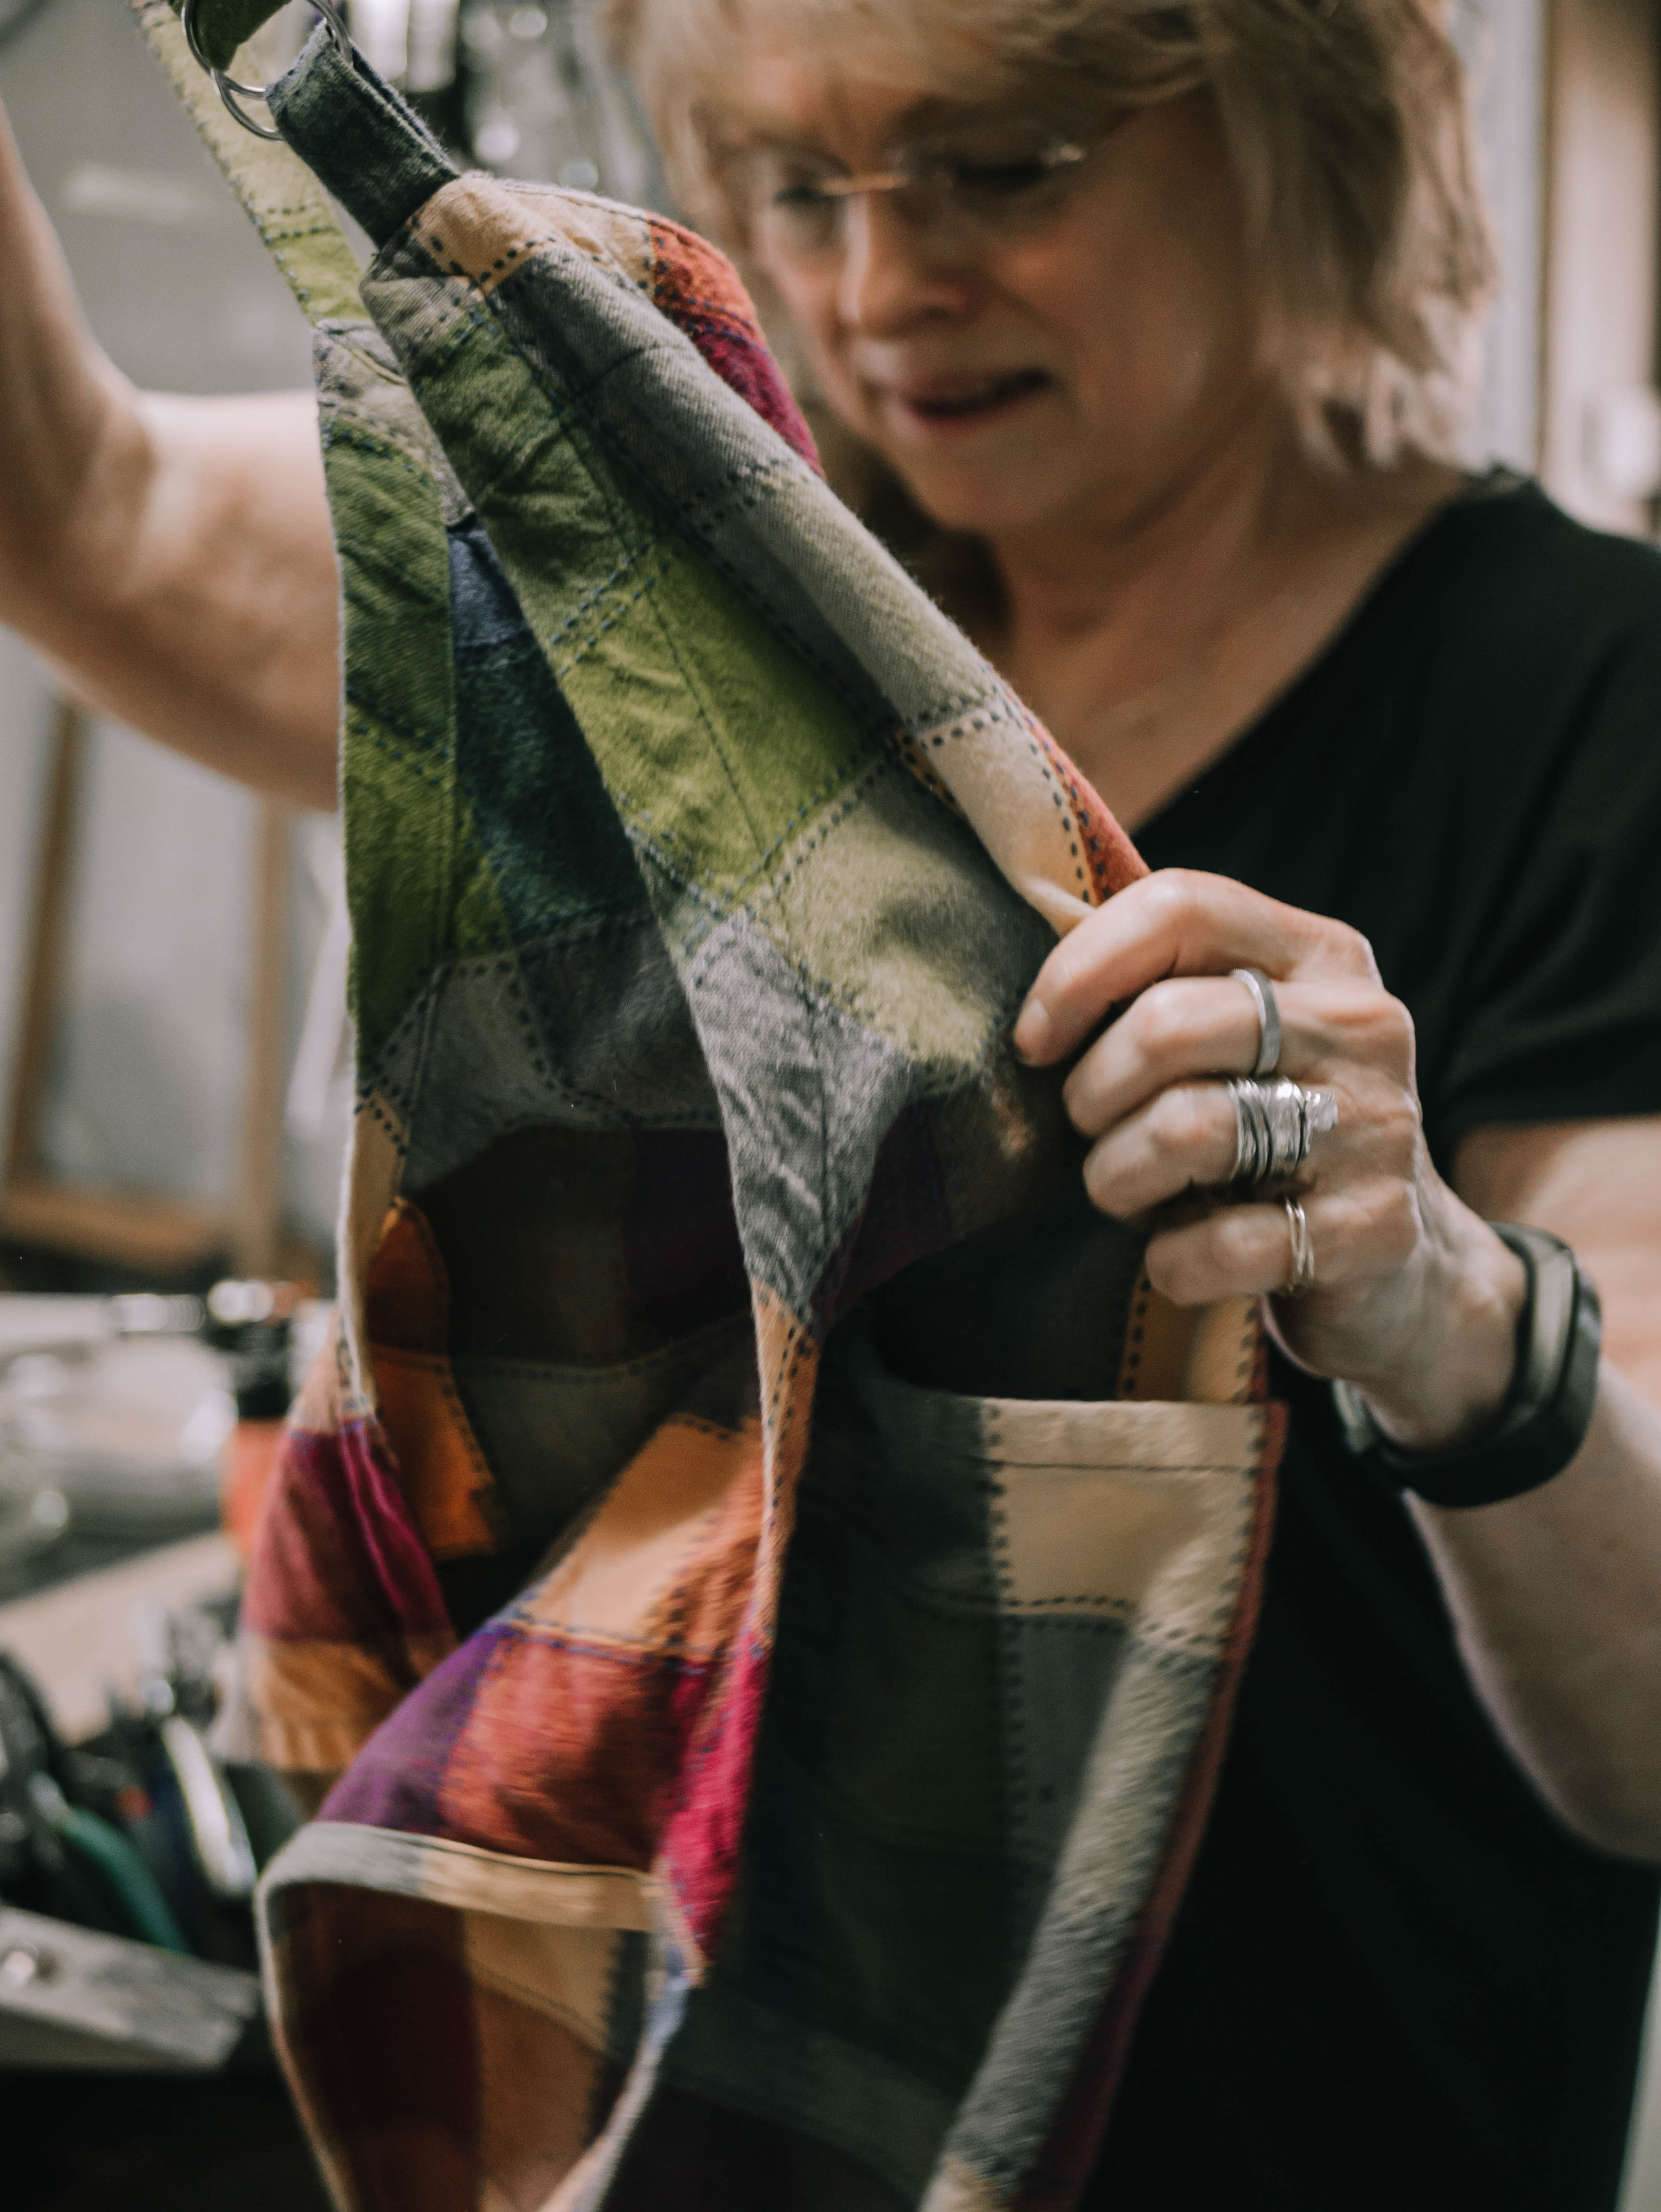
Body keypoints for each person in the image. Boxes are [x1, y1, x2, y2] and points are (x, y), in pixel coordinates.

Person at [2, 0, 1660, 2203]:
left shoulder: (1584, 703)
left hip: (1318, 2111)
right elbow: (87, 503)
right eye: (801, 183)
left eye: (1006, 166)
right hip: (708, 2100)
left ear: (1302, 131)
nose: (884, 284)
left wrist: (1444, 1290)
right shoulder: (720, 611)